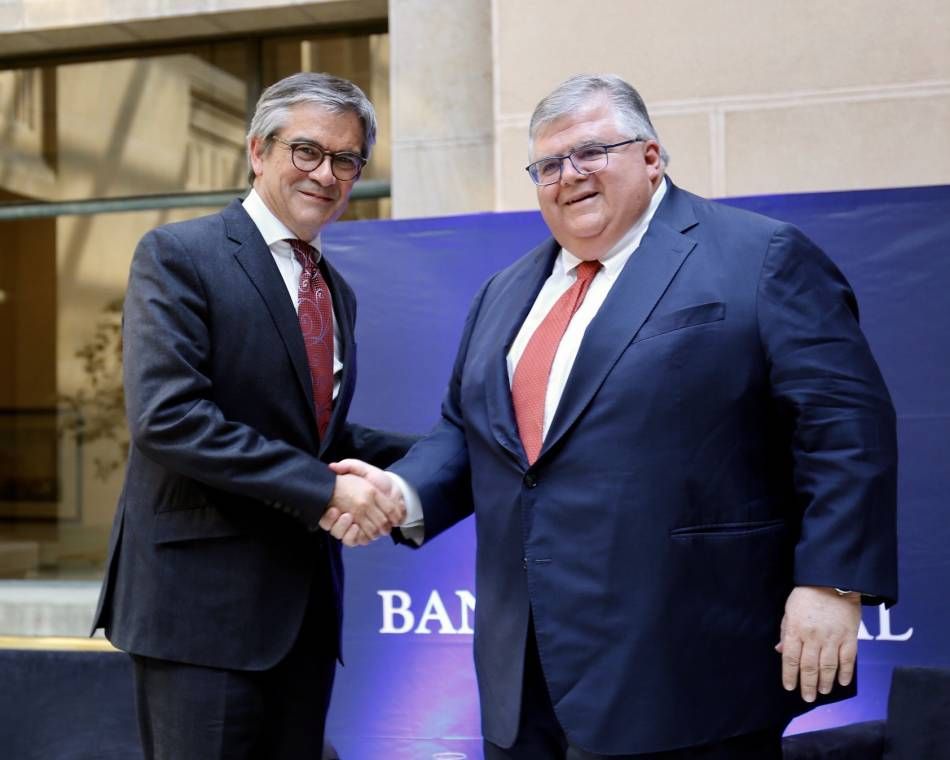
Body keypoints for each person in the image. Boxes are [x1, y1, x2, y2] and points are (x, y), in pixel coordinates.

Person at [323, 74, 899, 759]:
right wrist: (401, 492)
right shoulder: (503, 293)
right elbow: (468, 433)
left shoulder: (761, 258)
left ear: (651, 156)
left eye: (591, 153)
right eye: (548, 165)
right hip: (524, 675)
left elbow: (845, 427)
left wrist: (832, 582)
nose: (569, 177)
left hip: (685, 674)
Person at [91, 72, 414, 760]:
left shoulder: (335, 292)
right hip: (198, 617)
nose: (326, 174)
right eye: (307, 150)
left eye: (346, 160)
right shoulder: (179, 254)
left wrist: (440, 455)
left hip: (302, 615)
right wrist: (328, 489)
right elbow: (170, 417)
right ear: (258, 150)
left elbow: (315, 438)